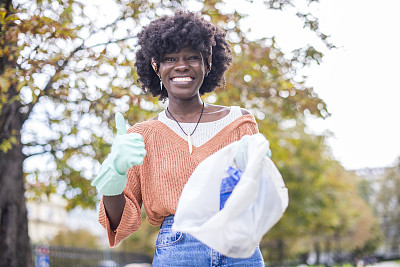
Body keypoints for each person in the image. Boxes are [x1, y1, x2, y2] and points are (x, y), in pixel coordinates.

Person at [93, 11, 268, 266]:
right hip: (179, 250)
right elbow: (122, 224)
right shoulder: (141, 136)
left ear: (208, 63)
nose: (181, 65)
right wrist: (114, 177)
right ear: (156, 66)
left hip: (238, 246)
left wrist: (256, 171)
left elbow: (262, 200)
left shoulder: (239, 122)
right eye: (170, 58)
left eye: (192, 58)